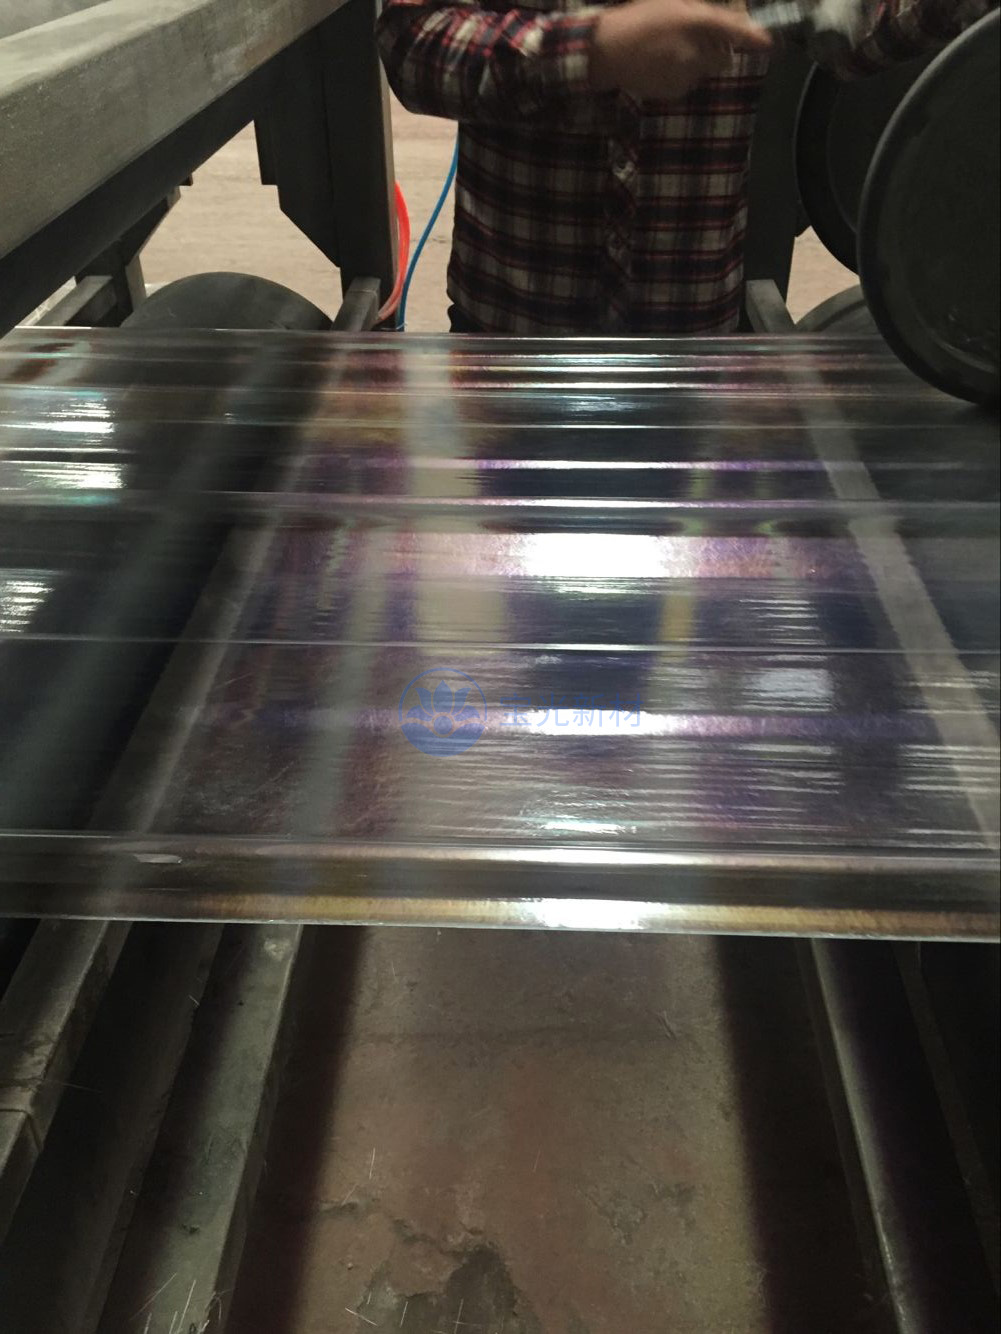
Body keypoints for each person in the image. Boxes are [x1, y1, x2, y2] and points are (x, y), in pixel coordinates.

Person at [376, 0, 987, 334]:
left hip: (694, 334)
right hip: (510, 333)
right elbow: (411, 42)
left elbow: (855, 28)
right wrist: (591, 53)